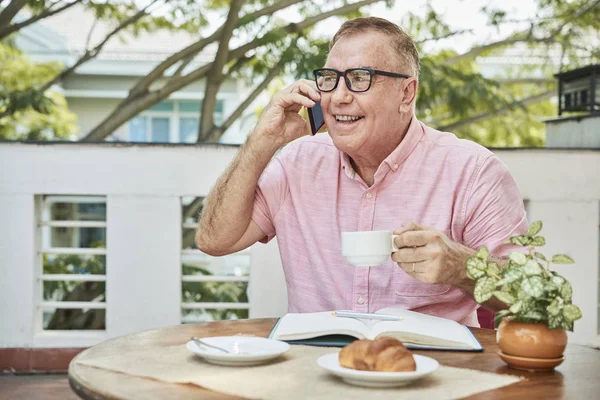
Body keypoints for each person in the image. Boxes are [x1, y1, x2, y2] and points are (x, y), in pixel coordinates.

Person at [196, 17, 528, 327]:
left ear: (406, 93)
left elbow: (532, 295)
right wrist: (262, 141)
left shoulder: (473, 172)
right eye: (330, 79)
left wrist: (463, 268)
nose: (338, 97)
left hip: (428, 374)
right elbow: (214, 241)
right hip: (316, 372)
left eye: (359, 79)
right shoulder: (297, 161)